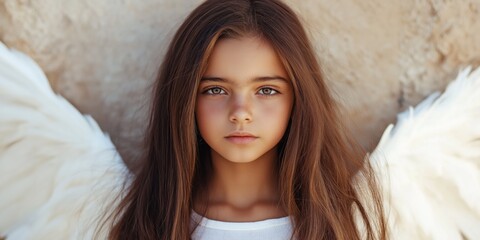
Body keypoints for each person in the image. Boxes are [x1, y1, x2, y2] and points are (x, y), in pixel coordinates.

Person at [105, 0, 387, 239]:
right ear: (185, 99)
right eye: (215, 89)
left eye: (266, 90)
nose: (240, 112)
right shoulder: (147, 220)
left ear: (298, 100)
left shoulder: (344, 220)